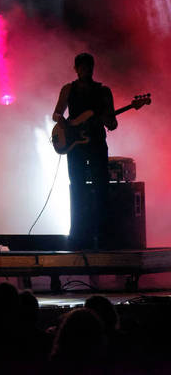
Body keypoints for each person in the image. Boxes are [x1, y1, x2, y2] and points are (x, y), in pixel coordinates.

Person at [52, 53, 117, 250]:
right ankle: (79, 235)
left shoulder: (103, 91)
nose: (85, 70)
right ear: (76, 69)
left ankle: (102, 236)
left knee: (101, 187)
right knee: (77, 187)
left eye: (88, 67)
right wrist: (63, 122)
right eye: (81, 67)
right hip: (76, 145)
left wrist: (108, 120)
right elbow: (57, 113)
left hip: (96, 143)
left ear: (92, 68)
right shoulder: (68, 89)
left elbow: (112, 123)